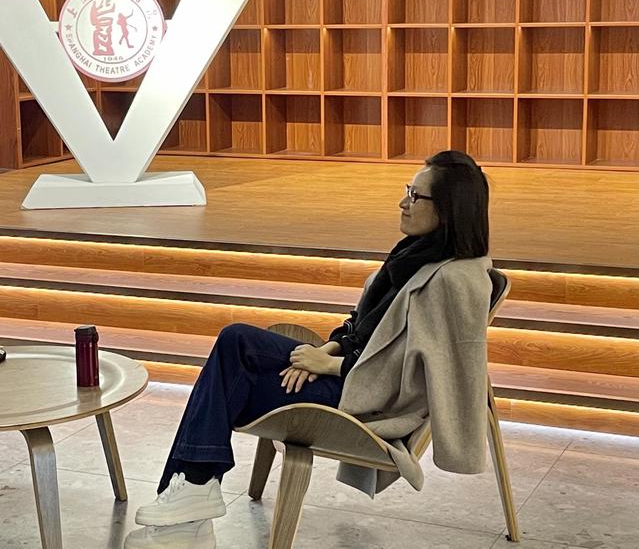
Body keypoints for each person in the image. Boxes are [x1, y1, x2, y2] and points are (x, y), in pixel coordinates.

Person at [125, 150, 493, 548]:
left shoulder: (456, 280)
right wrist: (327, 352)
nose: (403, 202)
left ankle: (188, 510)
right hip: (348, 371)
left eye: (415, 196)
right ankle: (190, 505)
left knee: (231, 376)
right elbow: (362, 325)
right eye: (408, 190)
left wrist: (332, 367)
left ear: (448, 209)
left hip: (361, 398)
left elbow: (424, 375)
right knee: (235, 345)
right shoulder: (414, 254)